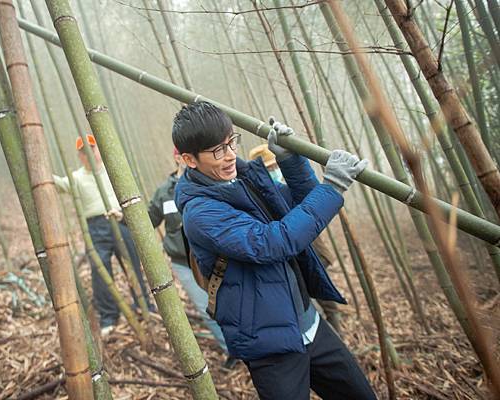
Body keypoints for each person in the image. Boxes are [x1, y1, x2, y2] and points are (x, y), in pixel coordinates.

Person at [172, 101, 376, 400]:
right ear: (190, 159)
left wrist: (291, 160)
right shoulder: (200, 214)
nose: (230, 155)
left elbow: (298, 208)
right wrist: (332, 187)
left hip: (310, 323)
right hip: (270, 346)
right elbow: (273, 243)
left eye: (231, 143)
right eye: (218, 151)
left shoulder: (244, 178)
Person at [53, 134, 152, 335]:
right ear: (80, 156)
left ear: (98, 150)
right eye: (84, 151)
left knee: (132, 266)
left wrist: (124, 214)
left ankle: (144, 306)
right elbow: (56, 183)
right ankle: (109, 316)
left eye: (92, 149)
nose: (89, 154)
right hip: (96, 227)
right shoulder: (77, 178)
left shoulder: (113, 171)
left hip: (120, 221)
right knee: (100, 273)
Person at [148, 147, 237, 368]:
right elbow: (148, 220)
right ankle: (232, 350)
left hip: (214, 258)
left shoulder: (206, 183)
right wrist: (124, 217)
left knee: (233, 301)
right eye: (182, 156)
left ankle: (248, 341)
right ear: (178, 158)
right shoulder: (163, 193)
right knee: (207, 308)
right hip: (183, 262)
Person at [248, 144, 342, 333]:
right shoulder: (259, 195)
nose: (274, 171)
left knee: (326, 299)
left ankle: (337, 330)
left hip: (313, 250)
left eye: (275, 166)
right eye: (269, 169)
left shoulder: (292, 185)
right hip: (290, 258)